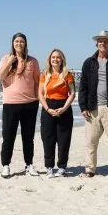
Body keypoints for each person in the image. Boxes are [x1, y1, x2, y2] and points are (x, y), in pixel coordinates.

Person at [78, 30, 108, 178]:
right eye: (100, 40)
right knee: (91, 142)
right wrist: (83, 106)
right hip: (92, 108)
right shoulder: (88, 62)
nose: (103, 43)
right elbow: (83, 86)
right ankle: (90, 170)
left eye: (106, 41)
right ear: (97, 43)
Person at [0, 33, 41, 178]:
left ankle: (29, 165)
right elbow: (0, 77)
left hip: (30, 104)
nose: (19, 44)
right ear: (13, 43)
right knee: (8, 136)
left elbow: (37, 82)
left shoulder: (32, 61)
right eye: (16, 41)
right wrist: (10, 61)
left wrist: (36, 100)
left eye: (21, 41)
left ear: (25, 44)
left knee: (28, 137)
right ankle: (6, 165)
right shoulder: (5, 58)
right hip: (10, 104)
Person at [38, 48, 76, 178]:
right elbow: (40, 94)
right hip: (48, 107)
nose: (55, 59)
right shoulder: (44, 74)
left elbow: (72, 93)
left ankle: (61, 167)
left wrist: (64, 108)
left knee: (64, 139)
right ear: (49, 59)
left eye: (58, 57)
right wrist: (47, 108)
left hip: (64, 108)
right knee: (48, 138)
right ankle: (49, 167)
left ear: (62, 59)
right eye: (53, 57)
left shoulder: (68, 74)